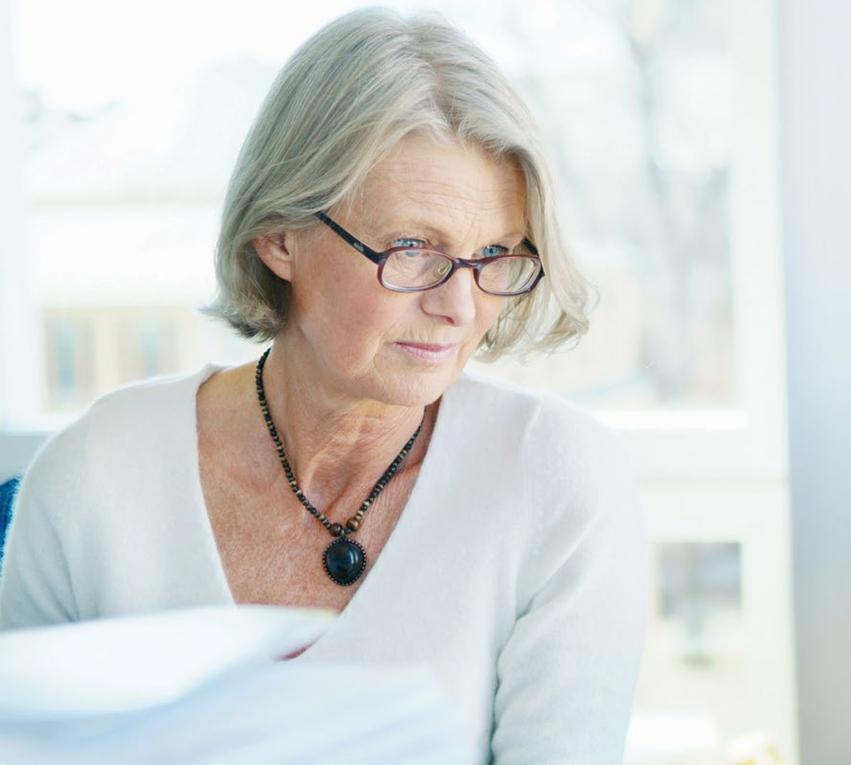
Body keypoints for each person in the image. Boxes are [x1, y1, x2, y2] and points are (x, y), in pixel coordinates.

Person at [0, 8, 648, 764]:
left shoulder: (559, 480)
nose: (460, 306)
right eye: (413, 249)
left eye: (494, 255)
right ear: (279, 235)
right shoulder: (95, 477)